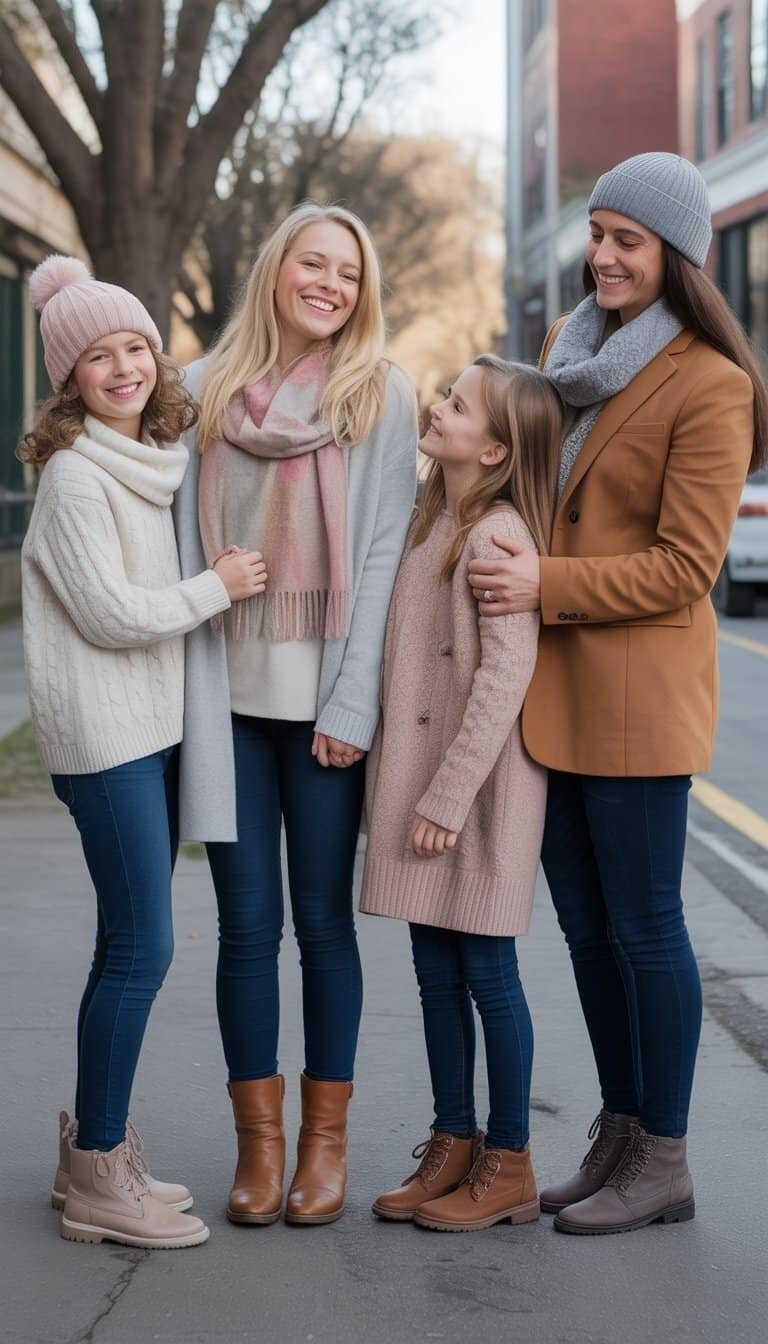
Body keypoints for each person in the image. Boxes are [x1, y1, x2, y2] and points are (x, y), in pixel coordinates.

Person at [467, 153, 767, 1236]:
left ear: (675, 255)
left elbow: (686, 567)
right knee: (588, 933)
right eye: (597, 233)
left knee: (645, 928)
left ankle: (669, 1158)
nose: (602, 255)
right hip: (548, 696)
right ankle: (622, 1132)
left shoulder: (714, 385)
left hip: (638, 701)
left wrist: (543, 581)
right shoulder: (568, 352)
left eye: (626, 238)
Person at [176, 203, 418, 1226]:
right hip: (224, 697)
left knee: (321, 928)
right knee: (243, 929)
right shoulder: (200, 391)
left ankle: (325, 1148)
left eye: (349, 274)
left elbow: (382, 558)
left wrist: (354, 700)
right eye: (313, 264)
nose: (330, 285)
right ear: (277, 270)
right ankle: (258, 1150)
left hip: (322, 707)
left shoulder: (378, 395)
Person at [20, 256, 266, 1249]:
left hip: (149, 733)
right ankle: (97, 1183)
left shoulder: (148, 455)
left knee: (123, 944)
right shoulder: (78, 477)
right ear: (68, 378)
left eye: (133, 346)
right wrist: (218, 585)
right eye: (95, 356)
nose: (120, 366)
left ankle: (95, 1154)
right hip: (107, 741)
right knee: (145, 948)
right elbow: (116, 616)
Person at [361, 356, 562, 1232]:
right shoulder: (430, 517)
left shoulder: (495, 535)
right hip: (425, 784)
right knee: (433, 971)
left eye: (458, 405)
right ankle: (452, 1141)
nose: (438, 410)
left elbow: (503, 679)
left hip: (475, 795)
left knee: (487, 970)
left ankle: (509, 1158)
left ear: (495, 450)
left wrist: (444, 797)